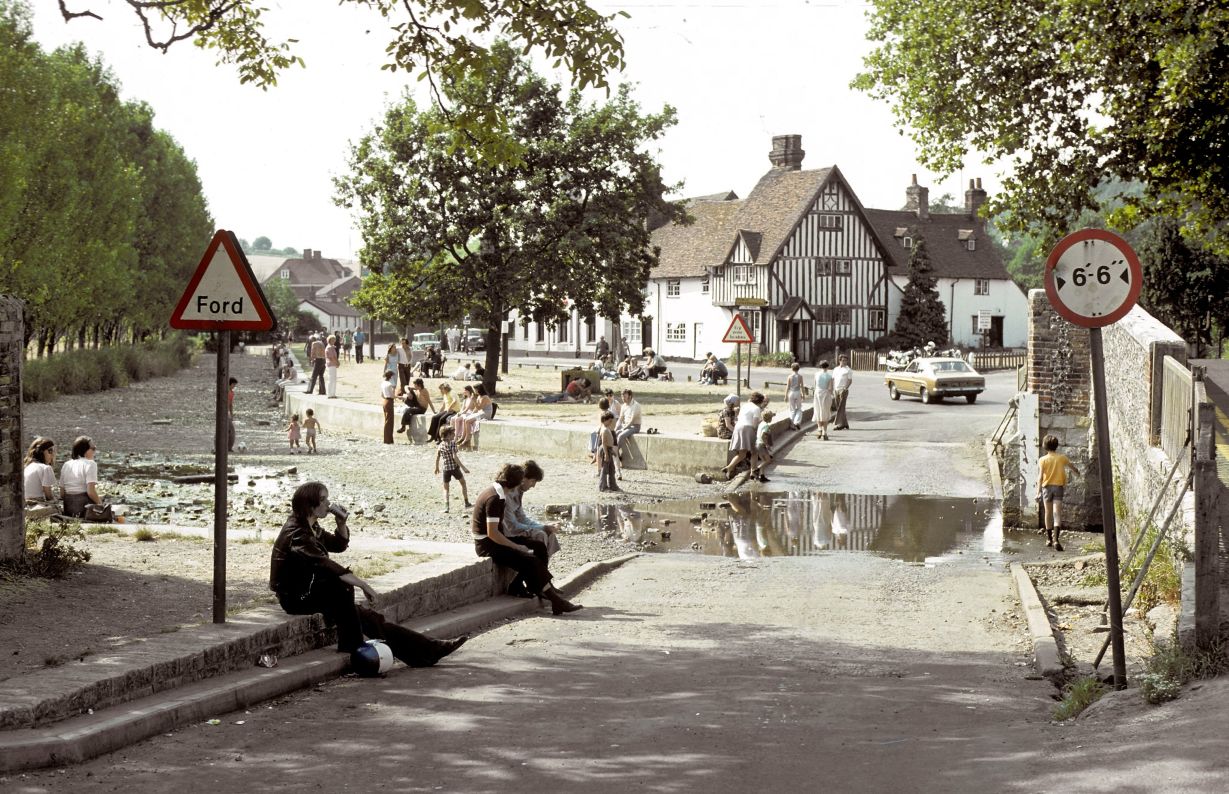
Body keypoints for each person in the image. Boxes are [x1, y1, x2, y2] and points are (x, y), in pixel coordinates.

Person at [271, 481, 466, 668]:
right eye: (323, 500)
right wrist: (364, 585)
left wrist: (341, 524)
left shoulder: (311, 526)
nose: (328, 504)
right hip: (295, 598)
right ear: (310, 505)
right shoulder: (297, 533)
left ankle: (428, 651)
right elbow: (326, 565)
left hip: (311, 590)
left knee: (369, 618)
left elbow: (338, 545)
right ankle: (356, 644)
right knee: (342, 587)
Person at [471, 464, 582, 615]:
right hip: (487, 545)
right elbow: (492, 533)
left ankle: (526, 587)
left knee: (539, 547)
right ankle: (555, 601)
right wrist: (516, 547)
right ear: (515, 483)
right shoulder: (495, 498)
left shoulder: (498, 492)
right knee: (531, 560)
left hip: (495, 540)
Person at [1038, 434, 1081, 551]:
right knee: (1057, 513)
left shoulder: (1042, 460)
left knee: (1048, 513)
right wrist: (1077, 472)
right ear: (1056, 446)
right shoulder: (1062, 458)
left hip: (1046, 488)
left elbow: (1040, 477)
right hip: (1058, 487)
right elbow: (1072, 467)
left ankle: (1049, 540)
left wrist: (1038, 492)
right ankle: (1056, 539)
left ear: (1044, 446)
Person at [720, 391, 764, 480]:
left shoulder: (744, 406)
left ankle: (729, 467)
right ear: (760, 401)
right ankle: (753, 472)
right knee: (754, 452)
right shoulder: (756, 409)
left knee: (742, 454)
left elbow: (738, 418)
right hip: (747, 428)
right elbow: (754, 425)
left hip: (737, 428)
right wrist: (762, 420)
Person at [60, 435, 102, 517]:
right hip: (84, 510)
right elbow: (91, 492)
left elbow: (62, 493)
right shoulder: (91, 464)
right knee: (102, 502)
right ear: (85, 450)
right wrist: (101, 504)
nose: (94, 451)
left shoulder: (66, 464)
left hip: (68, 509)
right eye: (93, 448)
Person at [434, 426, 471, 513]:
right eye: (453, 433)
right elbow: (455, 457)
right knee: (463, 483)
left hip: (446, 469)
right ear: (448, 435)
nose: (454, 435)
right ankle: (466, 502)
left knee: (446, 488)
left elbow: (437, 457)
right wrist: (463, 467)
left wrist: (436, 467)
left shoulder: (440, 445)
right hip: (454, 468)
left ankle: (446, 507)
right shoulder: (453, 443)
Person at [23, 437, 57, 503]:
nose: (53, 454)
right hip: (37, 505)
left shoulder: (27, 467)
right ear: (41, 452)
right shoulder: (45, 468)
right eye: (50, 451)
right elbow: (49, 496)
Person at [614, 388, 642, 465]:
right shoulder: (623, 406)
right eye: (622, 397)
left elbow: (632, 420)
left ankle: (614, 452)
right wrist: (616, 428)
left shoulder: (636, 405)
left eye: (625, 397)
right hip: (625, 425)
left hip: (634, 426)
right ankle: (616, 454)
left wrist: (624, 428)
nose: (623, 399)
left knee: (621, 435)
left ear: (630, 396)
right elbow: (620, 418)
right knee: (615, 433)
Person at [596, 411, 619, 492]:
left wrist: (611, 451)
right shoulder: (604, 430)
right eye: (609, 421)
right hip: (606, 450)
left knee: (611, 468)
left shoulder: (607, 428)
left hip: (609, 449)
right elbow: (604, 443)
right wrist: (606, 454)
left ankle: (613, 485)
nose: (610, 422)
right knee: (605, 469)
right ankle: (603, 486)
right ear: (605, 420)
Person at [752, 410, 776, 482]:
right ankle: (757, 470)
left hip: (757, 444)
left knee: (763, 460)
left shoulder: (761, 423)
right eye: (771, 417)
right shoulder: (766, 426)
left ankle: (762, 476)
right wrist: (767, 445)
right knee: (768, 460)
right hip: (761, 445)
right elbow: (763, 435)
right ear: (770, 418)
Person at [813, 360, 834, 440]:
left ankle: (819, 429)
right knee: (825, 412)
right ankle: (825, 431)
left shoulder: (816, 374)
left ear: (820, 366)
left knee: (818, 411)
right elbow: (830, 389)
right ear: (827, 367)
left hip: (818, 393)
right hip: (826, 394)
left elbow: (815, 385)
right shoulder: (829, 376)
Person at [832, 355, 853, 430]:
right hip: (836, 389)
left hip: (843, 390)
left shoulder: (848, 370)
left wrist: (845, 388)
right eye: (843, 360)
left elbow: (850, 380)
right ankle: (845, 423)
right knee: (839, 407)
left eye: (845, 360)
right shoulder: (835, 369)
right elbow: (833, 379)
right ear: (839, 361)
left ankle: (839, 424)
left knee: (841, 407)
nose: (844, 362)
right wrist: (832, 389)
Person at [785, 362, 805, 430]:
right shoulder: (800, 376)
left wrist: (785, 396)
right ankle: (797, 422)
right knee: (799, 408)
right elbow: (802, 386)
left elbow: (787, 387)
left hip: (791, 392)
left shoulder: (789, 376)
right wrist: (803, 394)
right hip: (798, 392)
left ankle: (792, 423)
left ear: (792, 368)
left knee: (792, 409)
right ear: (798, 369)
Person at [380, 369, 397, 444]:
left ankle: (388, 439)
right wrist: (400, 397)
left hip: (384, 402)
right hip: (389, 402)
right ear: (390, 377)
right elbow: (392, 396)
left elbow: (382, 395)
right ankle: (388, 440)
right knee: (389, 422)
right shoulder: (389, 385)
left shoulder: (383, 383)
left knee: (387, 420)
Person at [227, 376, 238, 452]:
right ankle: (229, 447)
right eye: (234, 385)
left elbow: (230, 404)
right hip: (225, 413)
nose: (234, 387)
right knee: (231, 430)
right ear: (231, 384)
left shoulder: (231, 392)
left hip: (227, 413)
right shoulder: (228, 392)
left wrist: (231, 414)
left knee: (230, 430)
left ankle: (229, 446)